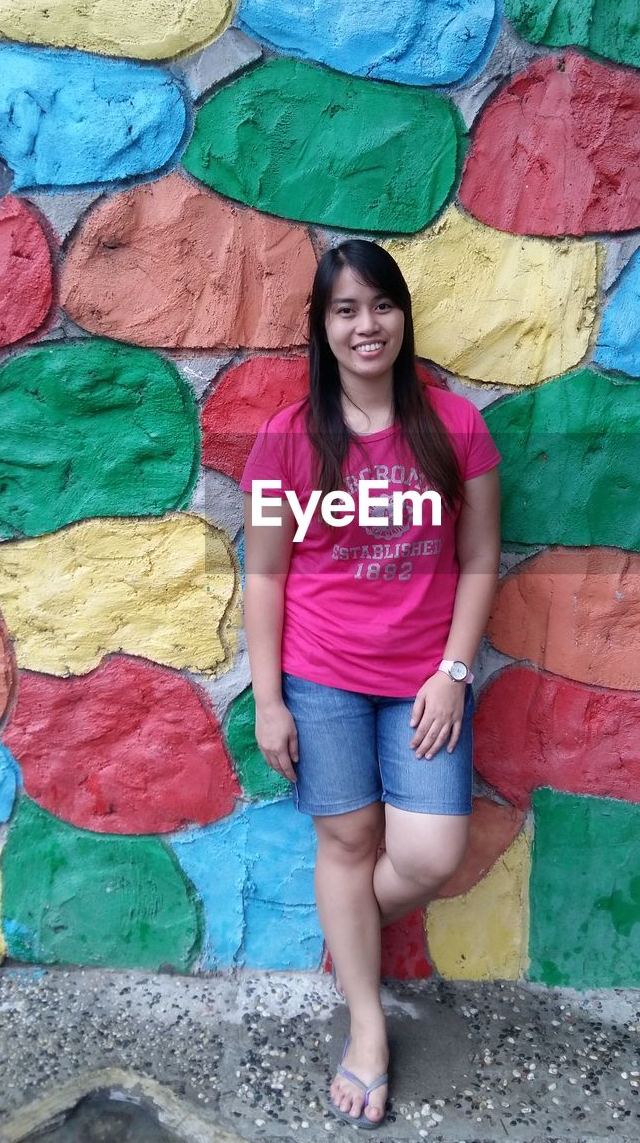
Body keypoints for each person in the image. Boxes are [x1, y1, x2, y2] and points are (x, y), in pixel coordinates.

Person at [241, 239, 501, 1129]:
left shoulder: (456, 428)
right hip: (323, 678)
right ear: (322, 326)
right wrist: (270, 697)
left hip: (426, 680)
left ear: (402, 316)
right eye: (345, 310)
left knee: (429, 853)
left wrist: (455, 674)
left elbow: (478, 561)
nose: (366, 325)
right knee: (346, 843)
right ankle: (366, 1026)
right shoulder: (284, 443)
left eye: (380, 306)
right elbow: (266, 575)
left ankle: (344, 930)